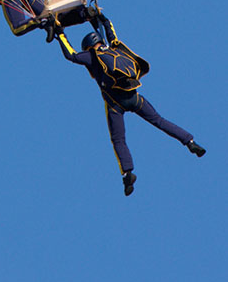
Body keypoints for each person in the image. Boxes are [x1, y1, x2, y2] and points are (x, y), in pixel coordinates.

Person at [55, 14, 206, 195]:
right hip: (135, 98)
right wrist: (98, 15)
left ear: (87, 46)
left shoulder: (91, 56)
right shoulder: (114, 47)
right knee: (159, 120)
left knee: (118, 140)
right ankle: (190, 142)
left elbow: (70, 55)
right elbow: (108, 28)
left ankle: (128, 174)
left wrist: (59, 33)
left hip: (115, 105)